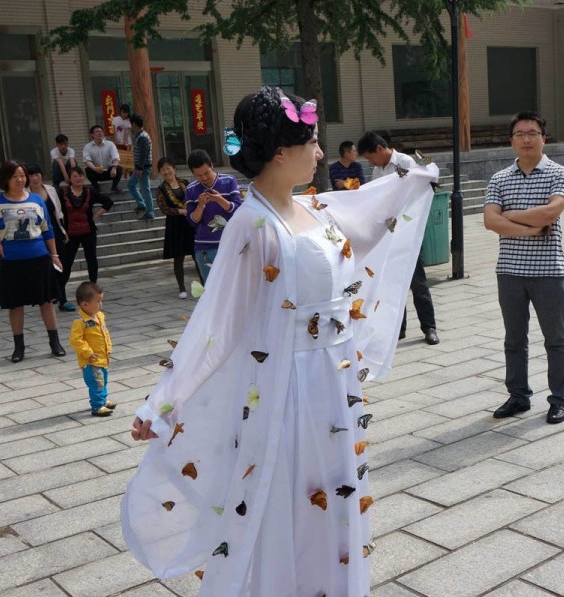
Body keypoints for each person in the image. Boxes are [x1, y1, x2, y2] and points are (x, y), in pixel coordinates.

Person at [122, 86, 438, 596]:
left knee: (334, 495)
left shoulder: (316, 210)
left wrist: (410, 177)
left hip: (334, 386)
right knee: (291, 498)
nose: (320, 152)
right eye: (311, 143)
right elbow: (218, 322)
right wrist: (164, 401)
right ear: (279, 153)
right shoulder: (253, 224)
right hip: (289, 391)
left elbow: (367, 219)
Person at [483, 111, 564, 424]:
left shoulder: (559, 173)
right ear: (512, 140)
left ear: (543, 138)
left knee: (555, 339)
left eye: (532, 133)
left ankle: (559, 399)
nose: (526, 139)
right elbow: (489, 221)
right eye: (520, 134)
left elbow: (550, 213)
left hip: (548, 272)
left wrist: (509, 216)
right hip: (509, 272)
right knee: (514, 340)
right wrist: (531, 229)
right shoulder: (499, 179)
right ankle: (518, 396)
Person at [0, 160, 66, 362]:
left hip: (39, 257)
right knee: (15, 305)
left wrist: (54, 255)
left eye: (22, 176)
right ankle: (19, 347)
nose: (20, 180)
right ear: (5, 179)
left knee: (46, 301)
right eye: (15, 176)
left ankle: (55, 342)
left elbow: (47, 229)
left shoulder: (36, 200)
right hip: (12, 260)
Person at [357, 131, 439, 345]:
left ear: (379, 148)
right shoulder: (377, 171)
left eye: (370, 157)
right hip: (389, 233)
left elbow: (418, 191)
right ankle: (398, 330)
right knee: (392, 283)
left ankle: (429, 327)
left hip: (408, 230)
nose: (370, 162)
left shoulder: (406, 162)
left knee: (417, 282)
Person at [184, 149, 242, 282]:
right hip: (205, 247)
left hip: (230, 244)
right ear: (192, 173)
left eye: (206, 173)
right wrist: (200, 205)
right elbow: (192, 221)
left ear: (211, 165)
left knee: (233, 286)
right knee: (210, 288)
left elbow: (238, 210)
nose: (204, 178)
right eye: (199, 175)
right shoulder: (191, 189)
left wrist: (219, 199)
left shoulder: (228, 181)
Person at [26, 164, 74, 312]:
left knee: (61, 266)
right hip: (37, 235)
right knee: (45, 267)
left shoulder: (51, 190)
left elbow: (59, 212)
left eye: (37, 174)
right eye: (31, 175)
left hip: (55, 232)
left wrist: (64, 230)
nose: (35, 178)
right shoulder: (25, 194)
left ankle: (61, 297)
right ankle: (52, 296)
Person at [58, 166, 114, 285]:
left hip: (88, 231)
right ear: (70, 179)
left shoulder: (90, 192)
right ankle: (61, 289)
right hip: (70, 233)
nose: (78, 178)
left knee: (91, 259)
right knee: (67, 262)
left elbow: (108, 202)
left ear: (84, 177)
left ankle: (93, 285)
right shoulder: (62, 193)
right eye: (75, 176)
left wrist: (95, 216)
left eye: (80, 175)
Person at [69, 281, 116, 417]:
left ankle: (102, 399)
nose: (101, 304)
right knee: (96, 383)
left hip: (102, 357)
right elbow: (76, 340)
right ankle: (97, 405)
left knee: (103, 380)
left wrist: (108, 347)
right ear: (85, 304)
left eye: (101, 301)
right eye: (98, 301)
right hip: (91, 360)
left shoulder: (99, 316)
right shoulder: (80, 322)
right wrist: (87, 352)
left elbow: (105, 333)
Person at [155, 157, 200, 298]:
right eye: (162, 170)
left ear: (174, 169)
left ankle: (205, 284)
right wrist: (180, 211)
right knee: (178, 257)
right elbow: (164, 208)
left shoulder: (185, 183)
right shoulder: (161, 189)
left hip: (189, 223)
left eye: (168, 168)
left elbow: (194, 198)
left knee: (196, 255)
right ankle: (182, 289)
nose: (166, 171)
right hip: (175, 225)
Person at [128, 114, 155, 220]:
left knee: (145, 190)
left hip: (143, 168)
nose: (131, 126)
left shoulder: (142, 137)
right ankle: (142, 204)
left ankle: (150, 212)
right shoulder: (140, 135)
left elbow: (143, 154)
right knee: (131, 184)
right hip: (141, 167)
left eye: (131, 123)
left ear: (134, 124)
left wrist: (139, 168)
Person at [83, 124, 122, 193]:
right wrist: (95, 168)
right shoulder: (87, 146)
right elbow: (87, 160)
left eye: (101, 131)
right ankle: (96, 187)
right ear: (92, 134)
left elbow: (116, 157)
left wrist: (114, 168)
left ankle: (114, 187)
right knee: (88, 170)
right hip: (96, 172)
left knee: (119, 168)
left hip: (109, 172)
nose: (100, 133)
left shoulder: (110, 144)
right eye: (97, 131)